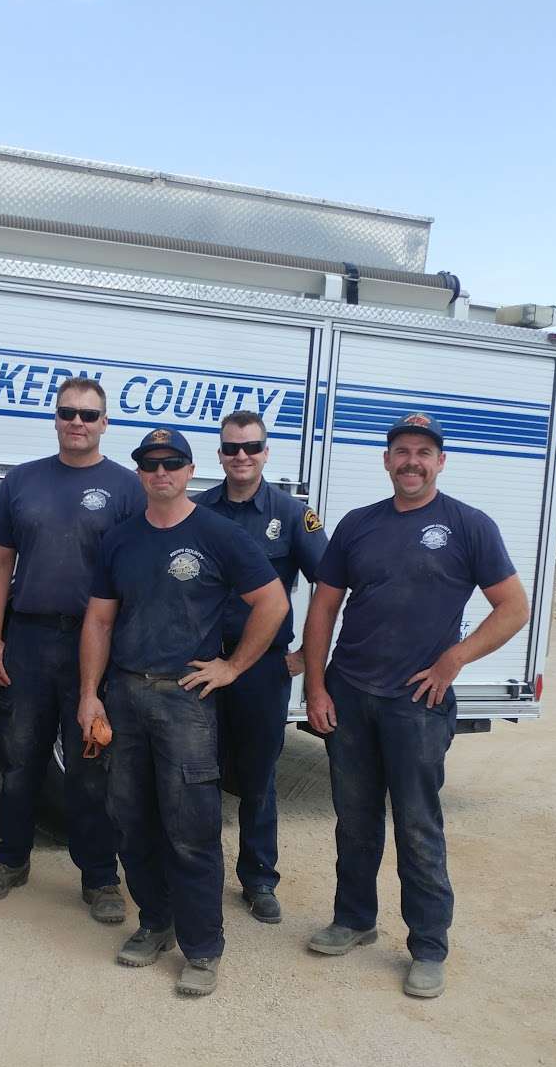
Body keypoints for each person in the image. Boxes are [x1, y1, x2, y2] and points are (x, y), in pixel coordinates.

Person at [303, 411, 530, 998]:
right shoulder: (357, 525)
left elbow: (513, 608)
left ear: (440, 462)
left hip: (417, 703)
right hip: (350, 694)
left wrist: (455, 659)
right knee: (354, 821)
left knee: (418, 825)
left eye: (423, 453)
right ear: (386, 460)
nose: (411, 461)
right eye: (401, 451)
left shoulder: (468, 526)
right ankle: (354, 920)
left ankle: (428, 945)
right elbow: (324, 607)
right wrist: (317, 685)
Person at [78, 427, 288, 998]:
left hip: (186, 701)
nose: (160, 472)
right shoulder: (120, 539)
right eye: (149, 463)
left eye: (172, 462)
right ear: (140, 472)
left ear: (191, 470)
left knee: (191, 828)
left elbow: (272, 601)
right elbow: (98, 620)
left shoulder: (218, 534)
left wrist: (234, 668)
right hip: (123, 695)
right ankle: (155, 922)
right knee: (131, 818)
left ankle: (202, 947)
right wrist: (89, 693)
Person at [0, 377, 145, 921]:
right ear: (55, 418)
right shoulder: (22, 482)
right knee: (19, 757)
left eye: (89, 415)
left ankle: (98, 879)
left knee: (92, 765)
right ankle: (11, 860)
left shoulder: (127, 487)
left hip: (94, 646)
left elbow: (139, 572)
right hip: (27, 639)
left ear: (105, 423)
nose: (78, 422)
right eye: (68, 412)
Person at [195, 411, 328, 923]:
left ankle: (258, 879)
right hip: (202, 663)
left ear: (267, 452)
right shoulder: (198, 509)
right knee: (195, 772)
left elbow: (330, 587)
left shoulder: (293, 514)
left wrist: (308, 658)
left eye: (251, 447)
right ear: (220, 455)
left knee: (256, 777)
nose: (241, 457)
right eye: (232, 449)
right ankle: (198, 874)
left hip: (260, 668)